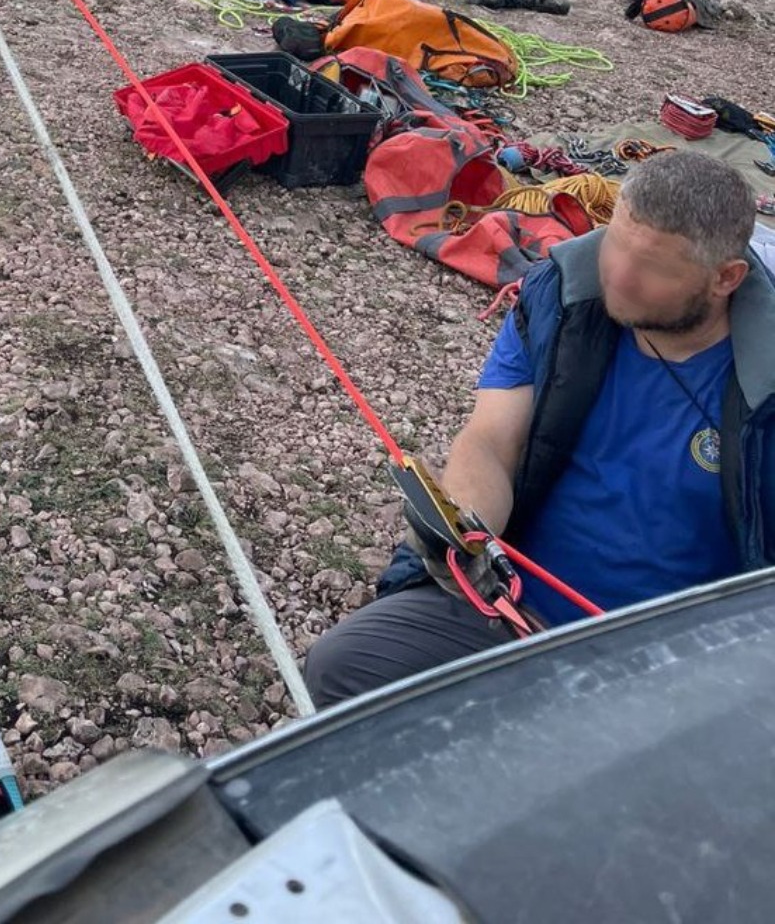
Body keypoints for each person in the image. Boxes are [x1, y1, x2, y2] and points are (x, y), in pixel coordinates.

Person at [306, 152, 775, 704]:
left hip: (657, 671)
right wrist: (464, 527)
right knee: (341, 669)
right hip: (506, 607)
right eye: (615, 243)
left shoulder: (760, 383)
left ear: (726, 278)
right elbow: (491, 442)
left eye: (653, 267)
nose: (618, 276)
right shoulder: (562, 301)